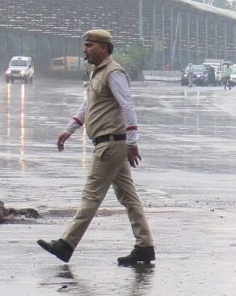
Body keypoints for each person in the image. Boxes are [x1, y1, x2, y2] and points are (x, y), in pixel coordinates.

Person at [37, 29, 155, 266]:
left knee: (91, 196)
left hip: (110, 144)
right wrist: (69, 129)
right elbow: (88, 104)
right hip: (109, 144)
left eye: (89, 45)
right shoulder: (97, 73)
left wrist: (132, 142)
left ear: (104, 48)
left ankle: (66, 244)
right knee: (128, 197)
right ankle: (145, 246)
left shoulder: (114, 73)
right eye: (85, 45)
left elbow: (127, 106)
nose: (85, 49)